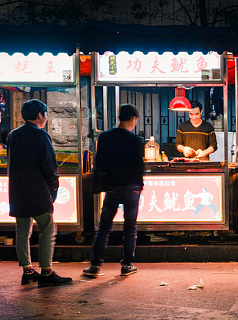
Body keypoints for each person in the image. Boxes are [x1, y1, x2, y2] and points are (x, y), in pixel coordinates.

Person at [7, 99, 72, 287]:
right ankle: (46, 272)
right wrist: (54, 188)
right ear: (39, 115)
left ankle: (27, 271)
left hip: (17, 192)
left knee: (22, 231)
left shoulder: (13, 135)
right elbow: (49, 166)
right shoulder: (41, 136)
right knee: (48, 229)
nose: (46, 118)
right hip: (37, 191)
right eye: (46, 114)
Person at [83, 104, 144, 277]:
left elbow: (99, 162)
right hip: (131, 188)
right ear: (133, 119)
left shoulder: (105, 138)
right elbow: (139, 166)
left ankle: (95, 265)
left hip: (112, 187)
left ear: (119, 117)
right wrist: (139, 186)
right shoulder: (135, 141)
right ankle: (127, 265)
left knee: (104, 226)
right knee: (130, 226)